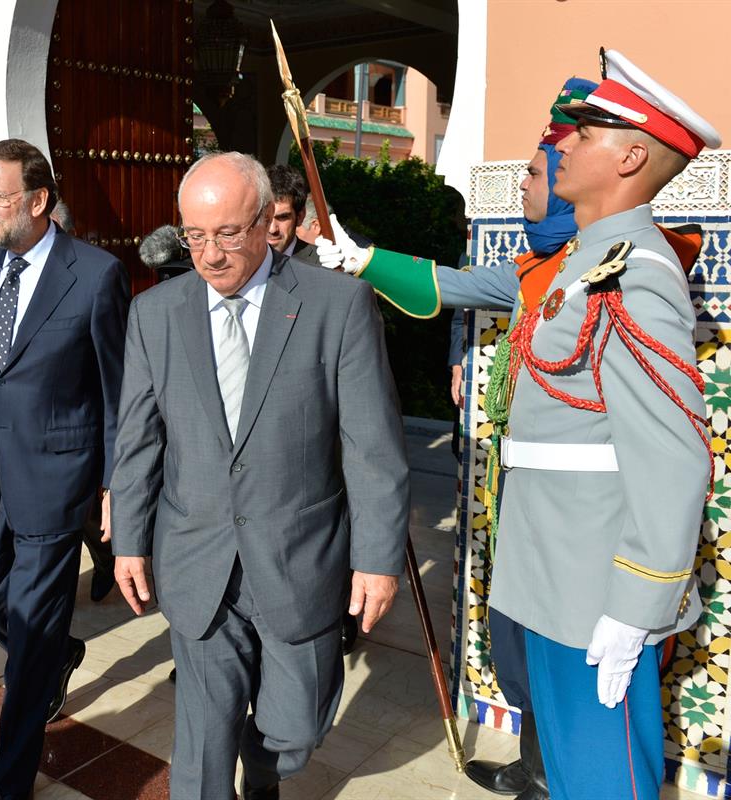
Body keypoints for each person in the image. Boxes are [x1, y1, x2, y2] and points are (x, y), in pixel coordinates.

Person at [322, 50, 718, 799]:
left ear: (632, 156)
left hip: (595, 586)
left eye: (585, 133)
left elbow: (674, 457)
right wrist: (357, 256)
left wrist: (637, 607)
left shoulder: (636, 274)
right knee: (570, 776)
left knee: (603, 780)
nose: (561, 143)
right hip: (549, 567)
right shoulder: (578, 263)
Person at [110, 152, 410, 800]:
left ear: (266, 224)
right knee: (200, 748)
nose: (211, 254)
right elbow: (137, 439)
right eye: (194, 236)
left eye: (227, 234)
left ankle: (269, 761)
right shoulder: (155, 315)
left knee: (295, 730)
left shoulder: (339, 305)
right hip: (197, 558)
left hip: (301, 558)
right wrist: (129, 540)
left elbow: (372, 448)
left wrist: (377, 560)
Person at [0, 138, 129, 800]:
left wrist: (116, 484)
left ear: (38, 200)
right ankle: (60, 651)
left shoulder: (95, 274)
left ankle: (12, 776)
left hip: (57, 483)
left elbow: (118, 393)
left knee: (27, 642)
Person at [49, 198, 116, 603]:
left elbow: (111, 370)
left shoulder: (93, 276)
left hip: (81, 426)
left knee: (84, 515)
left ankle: (107, 556)